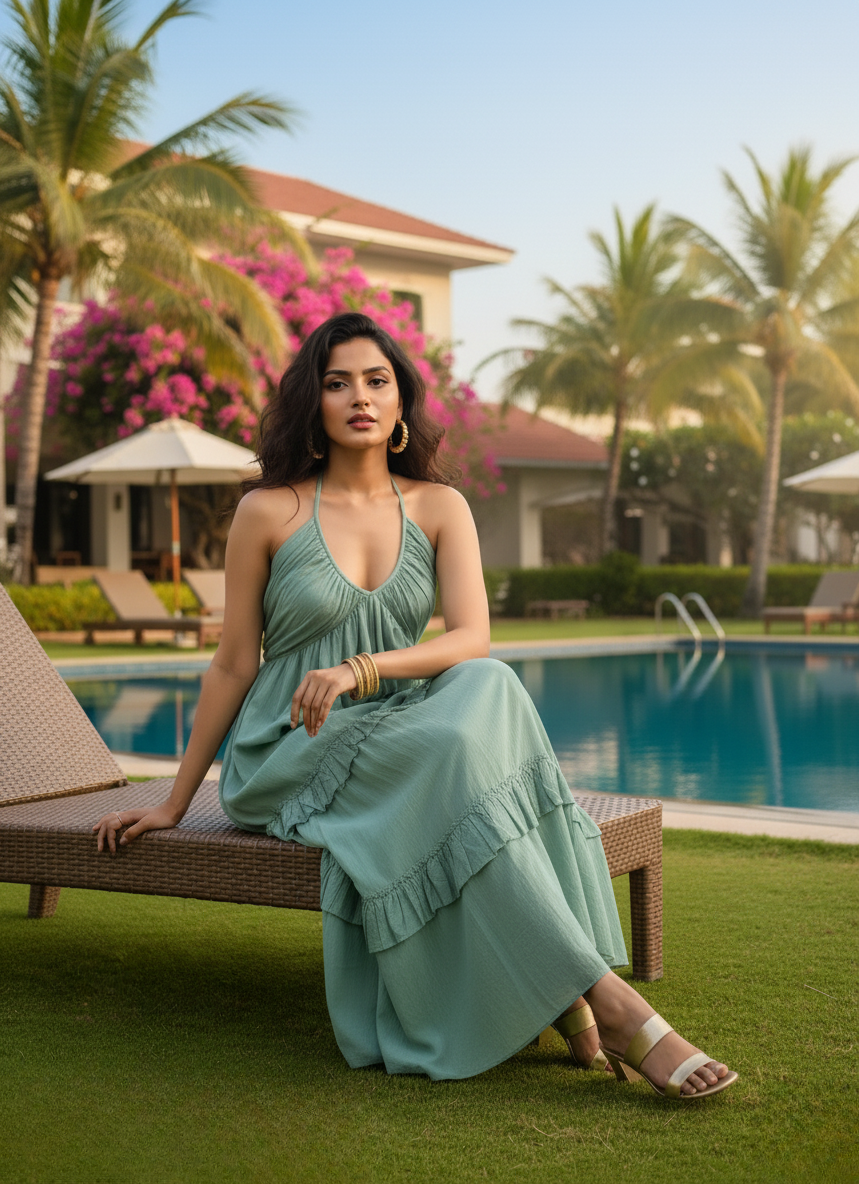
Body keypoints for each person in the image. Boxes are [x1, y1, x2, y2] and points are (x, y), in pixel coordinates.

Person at [94, 313, 737, 1099]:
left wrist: (363, 669)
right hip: (290, 744)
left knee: (490, 687)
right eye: (338, 384)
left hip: (396, 721)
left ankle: (570, 994)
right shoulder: (269, 511)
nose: (359, 397)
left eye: (377, 381)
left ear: (400, 406)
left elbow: (472, 637)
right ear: (315, 404)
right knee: (446, 757)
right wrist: (175, 799)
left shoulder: (440, 507)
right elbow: (233, 663)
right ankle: (607, 999)